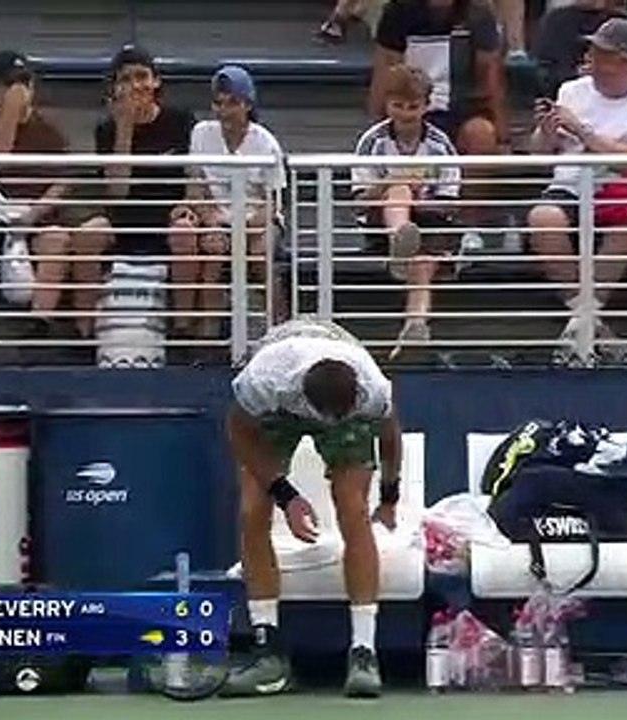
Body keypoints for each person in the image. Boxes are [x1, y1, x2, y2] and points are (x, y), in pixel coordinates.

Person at [223, 318, 403, 699]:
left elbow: (389, 437)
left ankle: (364, 652)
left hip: (338, 356)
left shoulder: (372, 389)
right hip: (280, 397)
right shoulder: (265, 381)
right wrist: (286, 496)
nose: (330, 424)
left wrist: (390, 497)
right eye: (326, 418)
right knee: (253, 510)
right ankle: (266, 649)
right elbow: (239, 433)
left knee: (353, 509)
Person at [0, 50, 108, 365]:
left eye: (25, 82)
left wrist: (35, 213)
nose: (20, 90)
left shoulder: (49, 128)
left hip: (34, 219)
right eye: (10, 84)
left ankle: (38, 330)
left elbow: (64, 180)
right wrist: (9, 115)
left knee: (56, 239)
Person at [526, 17, 627, 365]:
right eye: (591, 51)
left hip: (623, 189)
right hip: (570, 185)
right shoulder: (570, 91)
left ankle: (581, 323)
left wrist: (586, 134)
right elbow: (539, 154)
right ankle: (592, 323)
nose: (590, 58)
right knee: (543, 218)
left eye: (600, 53)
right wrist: (546, 132)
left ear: (626, 62)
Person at [352, 64, 462, 359]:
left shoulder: (440, 145)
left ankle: (415, 326)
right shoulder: (372, 142)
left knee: (423, 259)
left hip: (429, 219)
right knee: (398, 189)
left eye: (412, 106)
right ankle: (399, 238)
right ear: (387, 104)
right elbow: (360, 201)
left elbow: (449, 203)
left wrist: (419, 198)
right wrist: (393, 183)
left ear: (426, 105)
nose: (404, 113)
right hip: (380, 220)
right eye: (397, 106)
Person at [90, 45, 198, 340]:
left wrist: (188, 204)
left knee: (185, 231)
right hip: (123, 222)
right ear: (115, 87)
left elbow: (196, 175)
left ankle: (183, 332)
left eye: (142, 76)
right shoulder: (106, 130)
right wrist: (124, 128)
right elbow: (116, 192)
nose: (136, 85)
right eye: (126, 79)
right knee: (88, 234)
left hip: (170, 219)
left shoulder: (181, 121)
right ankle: (82, 334)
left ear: (156, 81)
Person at [187, 65, 288, 341]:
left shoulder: (266, 143)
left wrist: (243, 229)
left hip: (258, 221)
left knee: (259, 255)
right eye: (218, 103)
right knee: (213, 251)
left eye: (232, 103)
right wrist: (212, 220)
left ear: (247, 104)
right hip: (217, 218)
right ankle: (207, 337)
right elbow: (196, 188)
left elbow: (273, 204)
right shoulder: (200, 133)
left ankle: (280, 327)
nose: (224, 111)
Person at [370, 0, 507, 154]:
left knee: (481, 134)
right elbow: (385, 73)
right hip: (413, 106)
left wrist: (502, 137)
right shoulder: (397, 12)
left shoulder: (479, 14)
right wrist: (377, 123)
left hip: (462, 110)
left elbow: (491, 78)